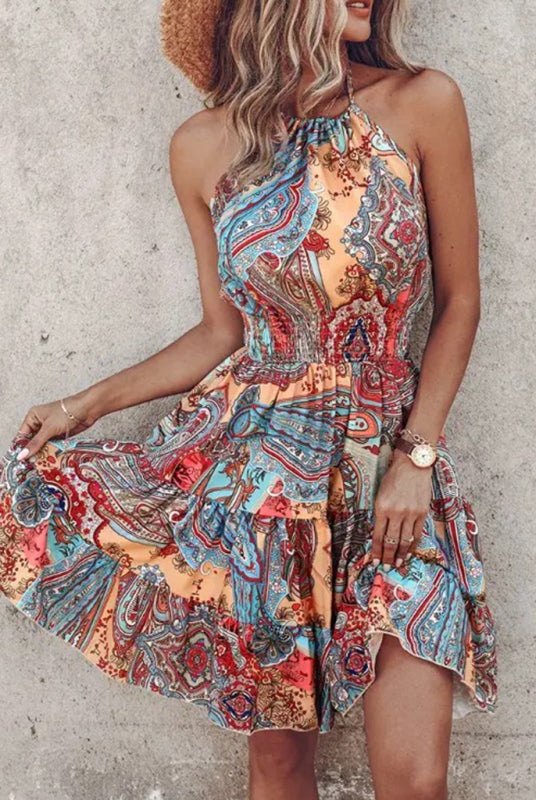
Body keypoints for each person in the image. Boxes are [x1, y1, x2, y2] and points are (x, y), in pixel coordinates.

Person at [0, 1, 497, 798]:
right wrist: (83, 405)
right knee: (279, 763)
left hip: (392, 473)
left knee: (417, 780)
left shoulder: (421, 102)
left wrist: (418, 455)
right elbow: (220, 331)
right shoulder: (202, 146)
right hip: (263, 487)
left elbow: (461, 300)